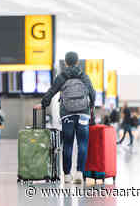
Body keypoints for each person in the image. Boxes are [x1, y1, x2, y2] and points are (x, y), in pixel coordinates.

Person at [34, 51, 96, 184]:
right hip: (83, 113)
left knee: (67, 144)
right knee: (82, 143)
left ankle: (67, 175)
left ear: (66, 62)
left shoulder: (62, 76)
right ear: (77, 61)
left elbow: (52, 91)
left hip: (67, 113)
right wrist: (91, 106)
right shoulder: (83, 75)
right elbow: (92, 92)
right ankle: (79, 173)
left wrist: (43, 104)